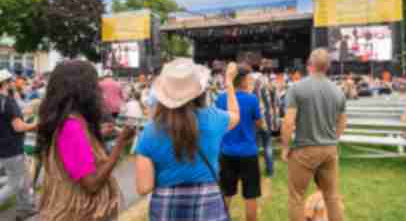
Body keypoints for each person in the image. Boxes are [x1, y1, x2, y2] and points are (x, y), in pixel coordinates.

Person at [134, 58, 239, 220]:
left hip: (166, 207)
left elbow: (144, 187)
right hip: (208, 203)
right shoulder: (214, 118)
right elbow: (236, 116)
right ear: (200, 90)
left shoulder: (149, 131)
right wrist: (230, 83)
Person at [37, 61, 135, 221]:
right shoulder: (71, 126)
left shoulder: (72, 120)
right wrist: (120, 144)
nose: (99, 90)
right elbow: (92, 184)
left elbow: (74, 151)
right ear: (82, 89)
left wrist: (94, 136)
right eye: (94, 85)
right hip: (83, 214)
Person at [281, 48, 346, 221]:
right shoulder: (338, 91)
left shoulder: (297, 88)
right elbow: (342, 123)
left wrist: (285, 147)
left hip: (304, 149)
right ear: (328, 67)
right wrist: (332, 139)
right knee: (332, 197)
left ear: (310, 64)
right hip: (329, 149)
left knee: (296, 198)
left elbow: (288, 122)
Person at [216, 64, 263, 221]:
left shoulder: (220, 98)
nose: (251, 80)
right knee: (251, 196)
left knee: (226, 193)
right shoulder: (252, 99)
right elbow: (259, 123)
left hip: (227, 152)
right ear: (242, 80)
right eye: (249, 78)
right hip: (248, 152)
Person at [0, 70, 38, 221]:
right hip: (12, 148)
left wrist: (24, 113)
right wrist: (35, 125)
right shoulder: (8, 101)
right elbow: (18, 127)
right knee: (15, 184)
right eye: (11, 81)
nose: (14, 83)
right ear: (5, 83)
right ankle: (25, 208)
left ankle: (25, 209)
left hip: (3, 147)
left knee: (24, 178)